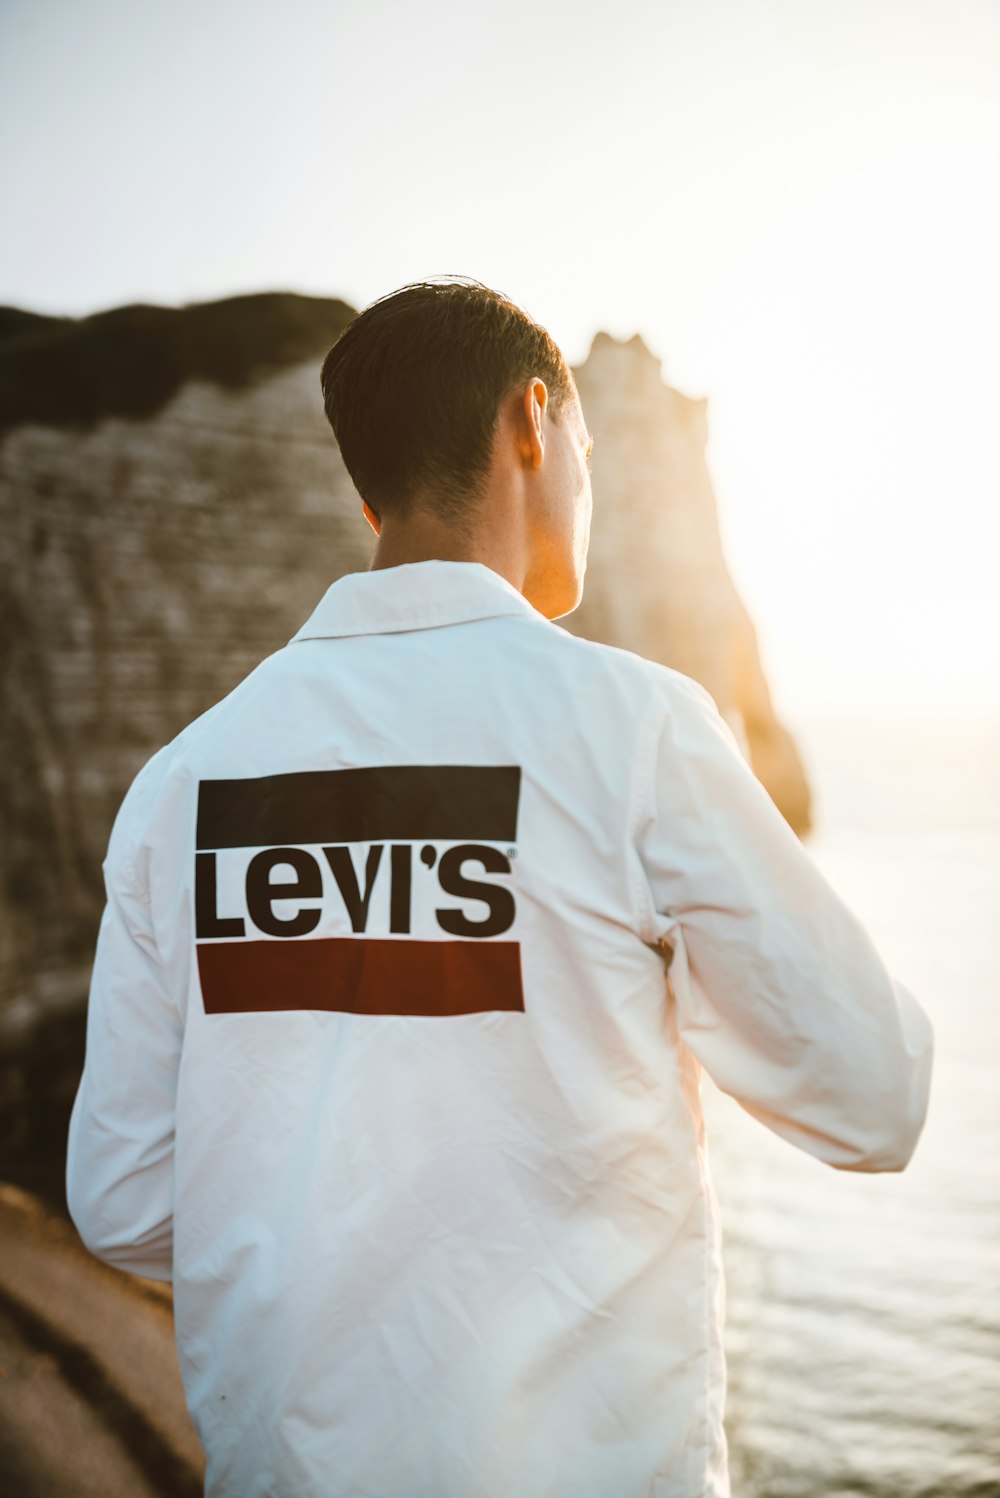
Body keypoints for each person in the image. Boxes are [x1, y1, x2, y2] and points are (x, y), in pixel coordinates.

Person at [65, 275, 935, 1498]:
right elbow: (873, 1095)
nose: (584, 478)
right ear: (534, 421)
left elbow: (120, 1203)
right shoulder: (633, 731)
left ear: (368, 488)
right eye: (583, 441)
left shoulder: (181, 783)